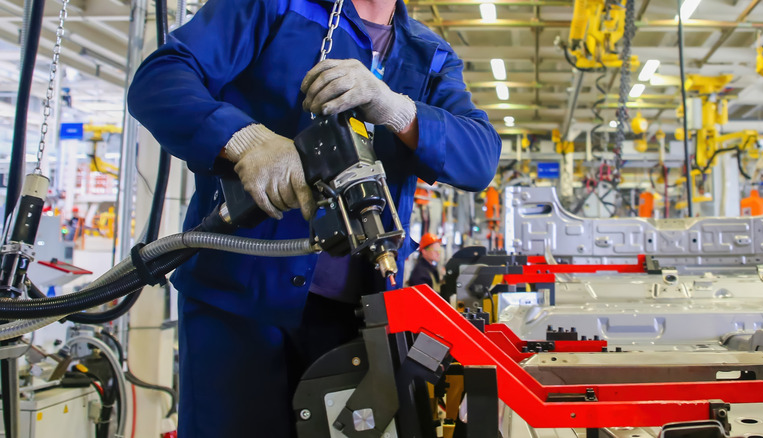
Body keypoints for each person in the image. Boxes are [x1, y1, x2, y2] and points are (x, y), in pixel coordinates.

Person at [126, 0, 501, 434]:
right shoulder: (273, 6)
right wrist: (245, 142)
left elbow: (480, 159)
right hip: (239, 306)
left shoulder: (428, 54)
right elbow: (159, 80)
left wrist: (398, 110)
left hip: (359, 319)